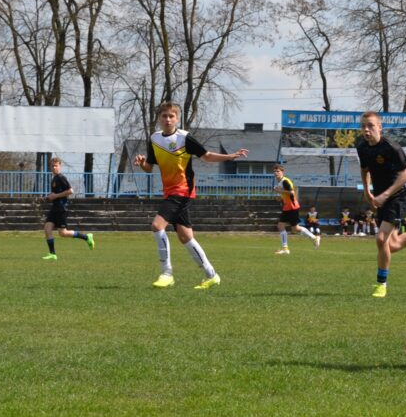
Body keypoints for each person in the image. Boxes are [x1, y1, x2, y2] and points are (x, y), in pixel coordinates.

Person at [134, 101, 248, 289]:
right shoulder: (154, 139)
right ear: (159, 118)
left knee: (157, 225)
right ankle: (211, 275)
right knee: (185, 237)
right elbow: (149, 168)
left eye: (171, 116)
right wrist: (142, 163)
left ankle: (166, 273)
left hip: (182, 190)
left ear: (177, 119)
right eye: (164, 116)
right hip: (169, 192)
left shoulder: (185, 138)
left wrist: (230, 156)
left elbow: (206, 156)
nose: (168, 119)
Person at [357, 111, 406, 298]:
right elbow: (364, 169)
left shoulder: (392, 147)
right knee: (391, 245)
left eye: (370, 126)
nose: (366, 130)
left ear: (380, 127)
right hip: (380, 196)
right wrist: (367, 191)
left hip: (396, 196)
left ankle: (381, 284)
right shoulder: (362, 147)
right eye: (363, 126)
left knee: (380, 239)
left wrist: (385, 195)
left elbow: (405, 176)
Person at [41, 156, 95, 260]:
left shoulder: (61, 177)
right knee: (47, 228)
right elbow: (55, 194)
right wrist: (47, 197)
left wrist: (55, 196)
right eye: (52, 166)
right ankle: (52, 254)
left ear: (60, 166)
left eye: (56, 166)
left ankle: (87, 237)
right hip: (55, 208)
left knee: (63, 233)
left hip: (61, 208)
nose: (54, 168)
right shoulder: (54, 179)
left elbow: (70, 191)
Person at [272, 165, 319, 254]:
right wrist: (280, 198)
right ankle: (285, 249)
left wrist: (279, 191)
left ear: (282, 172)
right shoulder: (279, 183)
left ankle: (314, 238)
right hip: (287, 207)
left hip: (292, 207)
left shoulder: (285, 181)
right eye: (274, 171)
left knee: (294, 228)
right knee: (284, 226)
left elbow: (292, 192)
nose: (276, 173)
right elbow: (286, 195)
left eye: (278, 171)